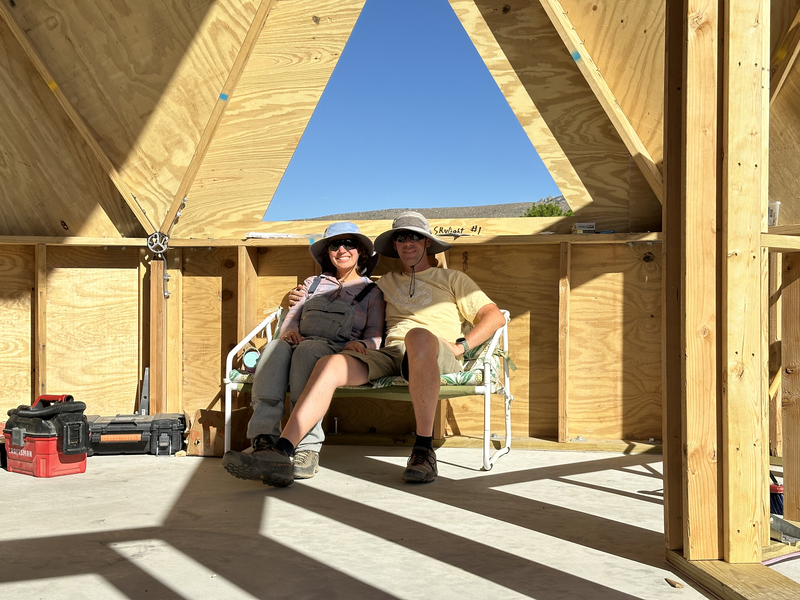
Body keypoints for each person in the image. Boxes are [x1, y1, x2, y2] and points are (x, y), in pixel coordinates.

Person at [244, 211, 506, 487]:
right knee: (329, 365)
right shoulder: (385, 283)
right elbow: (350, 295)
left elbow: (494, 316)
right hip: (392, 354)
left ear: (427, 242)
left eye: (415, 236)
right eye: (401, 237)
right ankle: (281, 451)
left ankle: (423, 450)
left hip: (434, 350)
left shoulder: (453, 279)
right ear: (394, 245)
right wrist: (297, 297)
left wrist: (460, 347)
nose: (408, 242)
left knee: (417, 335)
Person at [222, 222, 384, 484]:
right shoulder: (312, 283)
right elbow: (292, 317)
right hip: (298, 341)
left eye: (349, 244)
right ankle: (265, 439)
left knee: (308, 351)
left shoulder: (371, 291)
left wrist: (363, 346)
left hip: (335, 350)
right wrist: (288, 332)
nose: (342, 249)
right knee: (273, 348)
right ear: (328, 252)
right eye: (334, 245)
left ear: (361, 252)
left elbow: (375, 333)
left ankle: (307, 448)